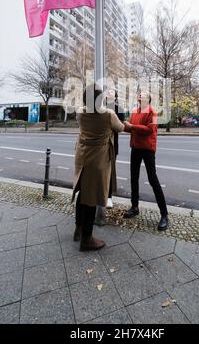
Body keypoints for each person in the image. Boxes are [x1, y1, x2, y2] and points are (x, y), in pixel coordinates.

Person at [72, 84, 124, 251]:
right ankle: (87, 239)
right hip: (98, 160)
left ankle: (78, 229)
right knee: (92, 198)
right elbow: (120, 128)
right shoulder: (108, 114)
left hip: (82, 157)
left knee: (81, 192)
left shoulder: (80, 112)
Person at [123, 90, 169, 231]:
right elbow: (130, 129)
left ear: (148, 99)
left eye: (144, 95)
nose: (140, 96)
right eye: (140, 94)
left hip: (148, 149)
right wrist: (121, 126)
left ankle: (164, 215)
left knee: (152, 179)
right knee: (134, 178)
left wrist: (132, 127)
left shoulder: (152, 112)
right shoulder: (135, 111)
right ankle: (134, 207)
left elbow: (150, 129)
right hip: (135, 148)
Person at [105, 88, 125, 209]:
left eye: (112, 92)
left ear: (116, 96)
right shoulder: (100, 106)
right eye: (108, 91)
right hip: (99, 145)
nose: (109, 92)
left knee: (110, 171)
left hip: (112, 143)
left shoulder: (119, 109)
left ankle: (108, 197)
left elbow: (121, 126)